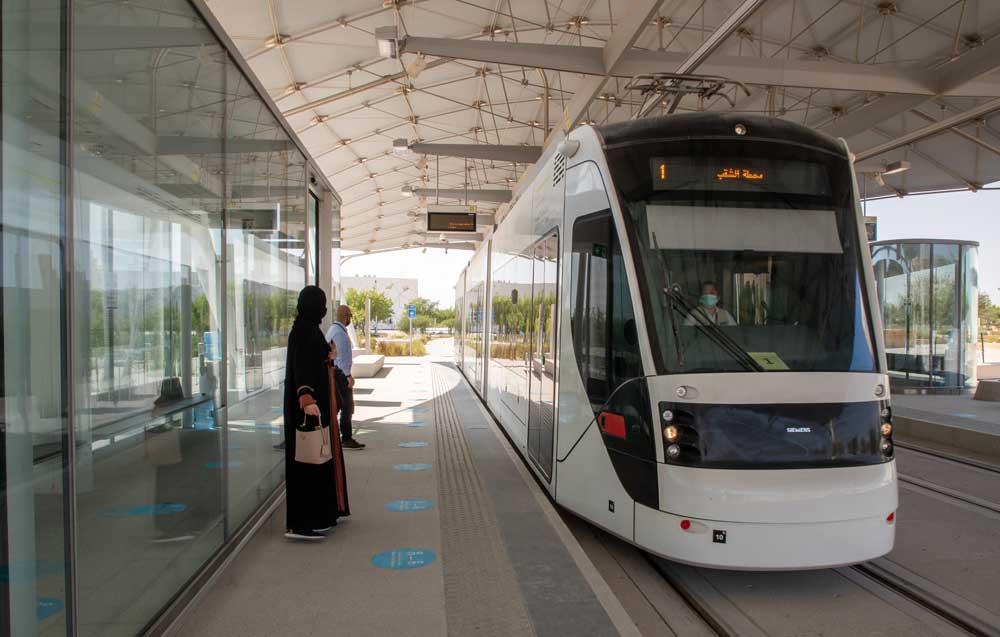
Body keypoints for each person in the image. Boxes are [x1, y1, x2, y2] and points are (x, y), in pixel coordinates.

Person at [283, 286, 350, 541]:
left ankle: (322, 514)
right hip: (308, 411)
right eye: (321, 303)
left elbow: (315, 359)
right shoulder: (302, 331)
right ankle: (303, 522)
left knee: (318, 460)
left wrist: (329, 355)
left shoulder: (308, 329)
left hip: (317, 410)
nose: (324, 309)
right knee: (308, 462)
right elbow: (302, 367)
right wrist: (306, 397)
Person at [326, 305, 365, 450]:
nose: (350, 318)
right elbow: (341, 358)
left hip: (337, 375)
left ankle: (335, 436)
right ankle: (346, 438)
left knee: (339, 407)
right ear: (344, 316)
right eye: (349, 315)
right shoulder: (339, 333)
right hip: (340, 376)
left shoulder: (335, 330)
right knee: (346, 407)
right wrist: (348, 376)